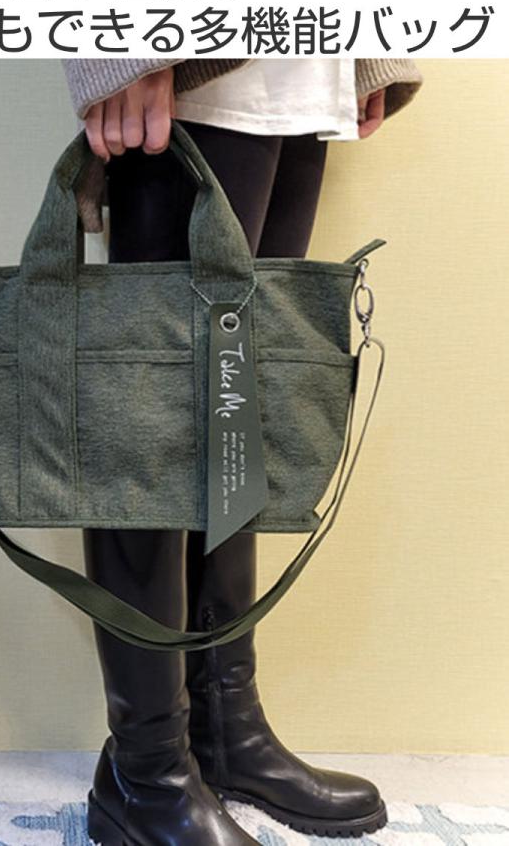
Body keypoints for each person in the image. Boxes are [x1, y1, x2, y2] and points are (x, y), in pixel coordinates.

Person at [61, 57, 424, 846]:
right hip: (193, 65)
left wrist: (368, 48)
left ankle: (225, 732)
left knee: (239, 415)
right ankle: (147, 774)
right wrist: (123, 47)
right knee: (153, 427)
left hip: (300, 67)